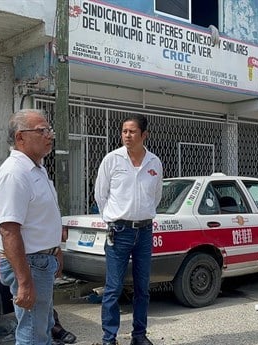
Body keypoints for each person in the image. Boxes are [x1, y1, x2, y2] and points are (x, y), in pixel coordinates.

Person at [0, 109, 63, 344]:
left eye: (49, 129)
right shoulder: (14, 174)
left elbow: (41, 218)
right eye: (42, 130)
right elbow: (9, 230)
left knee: (42, 328)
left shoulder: (37, 169)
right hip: (29, 264)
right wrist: (24, 282)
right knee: (33, 334)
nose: (49, 135)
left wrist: (55, 251)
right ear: (20, 137)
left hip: (42, 261)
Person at [95, 114, 163, 345]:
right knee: (113, 288)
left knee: (143, 288)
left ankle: (139, 335)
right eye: (124, 131)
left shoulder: (154, 163)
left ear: (144, 135)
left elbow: (156, 197)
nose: (127, 135)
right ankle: (109, 338)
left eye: (132, 131)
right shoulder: (112, 160)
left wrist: (140, 216)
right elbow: (100, 195)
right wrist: (114, 219)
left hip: (144, 232)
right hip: (119, 232)